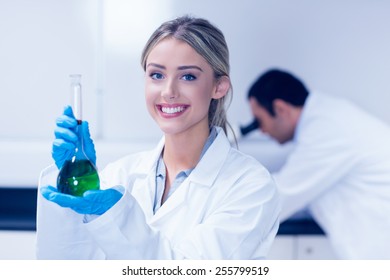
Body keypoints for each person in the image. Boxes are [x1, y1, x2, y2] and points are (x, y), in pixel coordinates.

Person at [36, 16, 280, 260]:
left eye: (188, 77)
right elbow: (65, 263)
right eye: (156, 75)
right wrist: (68, 179)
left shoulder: (251, 187)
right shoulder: (121, 174)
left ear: (219, 87)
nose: (168, 92)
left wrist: (115, 216)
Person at [245, 68, 390, 259]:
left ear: (280, 109)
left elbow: (278, 198)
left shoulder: (327, 129)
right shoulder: (328, 117)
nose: (261, 131)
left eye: (259, 121)